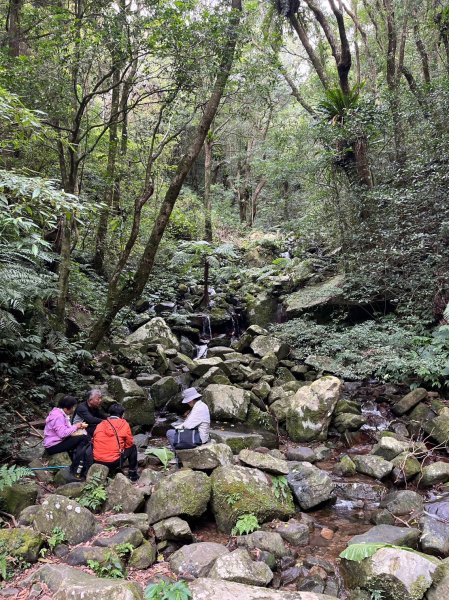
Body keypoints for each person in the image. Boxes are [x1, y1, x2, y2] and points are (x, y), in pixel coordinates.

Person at [92, 402, 139, 481]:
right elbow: (129, 443)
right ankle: (132, 474)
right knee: (133, 447)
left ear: (109, 414)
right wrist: (121, 447)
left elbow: (94, 440)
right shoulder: (124, 424)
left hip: (97, 460)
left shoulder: (101, 424)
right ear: (122, 414)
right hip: (113, 462)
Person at [43, 395, 89, 476]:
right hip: (53, 446)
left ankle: (76, 460)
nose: (73, 409)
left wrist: (76, 428)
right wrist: (76, 426)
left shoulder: (58, 412)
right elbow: (62, 434)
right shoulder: (58, 416)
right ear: (66, 408)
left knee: (83, 435)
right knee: (83, 438)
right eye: (72, 407)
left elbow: (65, 429)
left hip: (57, 442)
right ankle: (77, 465)